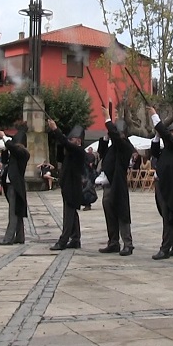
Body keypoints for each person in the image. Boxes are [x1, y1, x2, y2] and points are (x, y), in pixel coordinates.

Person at [148, 107, 173, 260]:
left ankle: (165, 248)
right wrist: (157, 136)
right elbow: (154, 152)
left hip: (172, 186)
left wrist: (154, 116)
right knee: (171, 215)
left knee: (169, 217)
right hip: (162, 184)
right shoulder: (169, 149)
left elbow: (167, 136)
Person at [96, 104, 136, 256]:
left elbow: (117, 139)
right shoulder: (113, 146)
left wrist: (107, 118)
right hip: (107, 184)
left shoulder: (125, 146)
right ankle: (113, 242)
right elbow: (101, 152)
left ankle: (128, 243)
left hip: (118, 185)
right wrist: (106, 137)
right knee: (109, 214)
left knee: (122, 214)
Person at [47, 121, 87, 250]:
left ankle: (63, 241)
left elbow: (65, 143)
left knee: (68, 216)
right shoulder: (70, 152)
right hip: (67, 186)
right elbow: (63, 145)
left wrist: (55, 129)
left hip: (73, 187)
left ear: (79, 141)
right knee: (72, 214)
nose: (70, 141)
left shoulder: (79, 151)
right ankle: (75, 239)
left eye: (72, 139)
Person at [0, 122, 30, 245]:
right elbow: (4, 159)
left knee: (13, 213)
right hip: (10, 184)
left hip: (15, 185)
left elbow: (14, 148)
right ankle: (20, 236)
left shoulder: (23, 154)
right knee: (17, 211)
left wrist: (4, 137)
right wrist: (6, 149)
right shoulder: (15, 154)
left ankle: (9, 237)